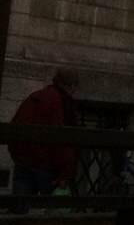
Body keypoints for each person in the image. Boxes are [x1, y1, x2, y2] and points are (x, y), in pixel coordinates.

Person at [9, 67, 82, 195]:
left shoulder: (35, 96)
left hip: (24, 160)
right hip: (47, 165)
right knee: (48, 208)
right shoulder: (64, 103)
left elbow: (15, 126)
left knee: (20, 207)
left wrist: (17, 154)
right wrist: (64, 173)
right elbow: (64, 140)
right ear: (70, 85)